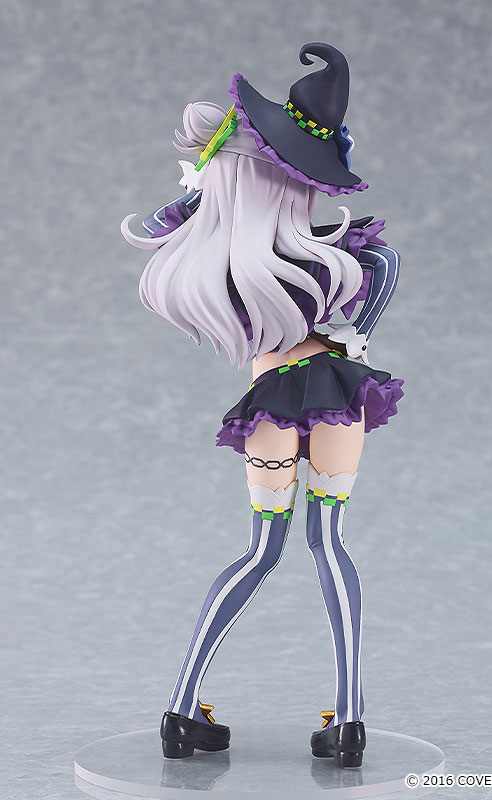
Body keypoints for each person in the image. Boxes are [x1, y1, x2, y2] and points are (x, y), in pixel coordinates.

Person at [122, 42, 404, 769]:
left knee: (261, 549)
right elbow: (375, 292)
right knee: (329, 541)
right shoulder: (350, 258)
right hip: (337, 398)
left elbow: (158, 224)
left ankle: (181, 711)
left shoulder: (231, 258)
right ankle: (350, 721)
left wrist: (205, 188)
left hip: (273, 405)